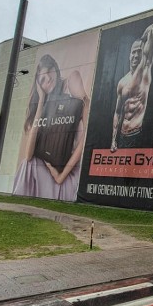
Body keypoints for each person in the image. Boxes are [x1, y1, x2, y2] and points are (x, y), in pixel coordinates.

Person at [13, 54, 90, 200]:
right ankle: (20, 210)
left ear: (56, 69)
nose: (48, 79)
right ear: (39, 86)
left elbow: (88, 133)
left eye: (49, 71)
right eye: (42, 79)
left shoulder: (70, 81)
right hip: (47, 166)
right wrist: (41, 102)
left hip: (67, 170)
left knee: (29, 166)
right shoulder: (44, 101)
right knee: (27, 164)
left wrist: (60, 176)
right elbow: (28, 155)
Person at [111, 23, 153, 151]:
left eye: (139, 52)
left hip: (137, 134)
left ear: (144, 54)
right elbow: (117, 112)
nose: (136, 56)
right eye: (133, 52)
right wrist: (113, 140)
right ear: (129, 55)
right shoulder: (122, 82)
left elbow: (152, 28)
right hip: (123, 136)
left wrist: (142, 39)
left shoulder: (145, 71)